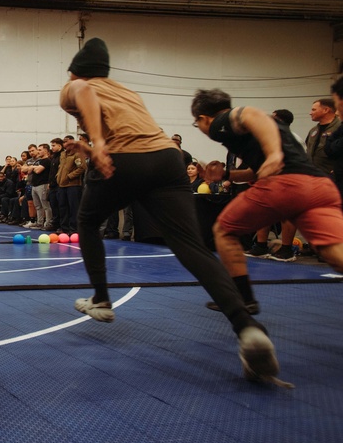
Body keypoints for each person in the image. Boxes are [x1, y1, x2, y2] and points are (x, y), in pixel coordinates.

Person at [59, 37, 284, 387]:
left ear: (75, 70)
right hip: (166, 160)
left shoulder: (76, 85)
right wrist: (89, 147)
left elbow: (86, 94)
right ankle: (247, 327)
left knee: (87, 221)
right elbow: (134, 133)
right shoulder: (127, 92)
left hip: (124, 161)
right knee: (191, 246)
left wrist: (99, 145)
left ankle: (102, 299)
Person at [191, 88, 343, 340]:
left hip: (286, 184)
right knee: (334, 253)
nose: (201, 128)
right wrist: (226, 175)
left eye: (197, 124)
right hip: (318, 187)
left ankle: (243, 300)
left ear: (204, 118)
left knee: (224, 230)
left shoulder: (222, 122)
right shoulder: (250, 135)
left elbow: (253, 114)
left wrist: (273, 154)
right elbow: (255, 171)